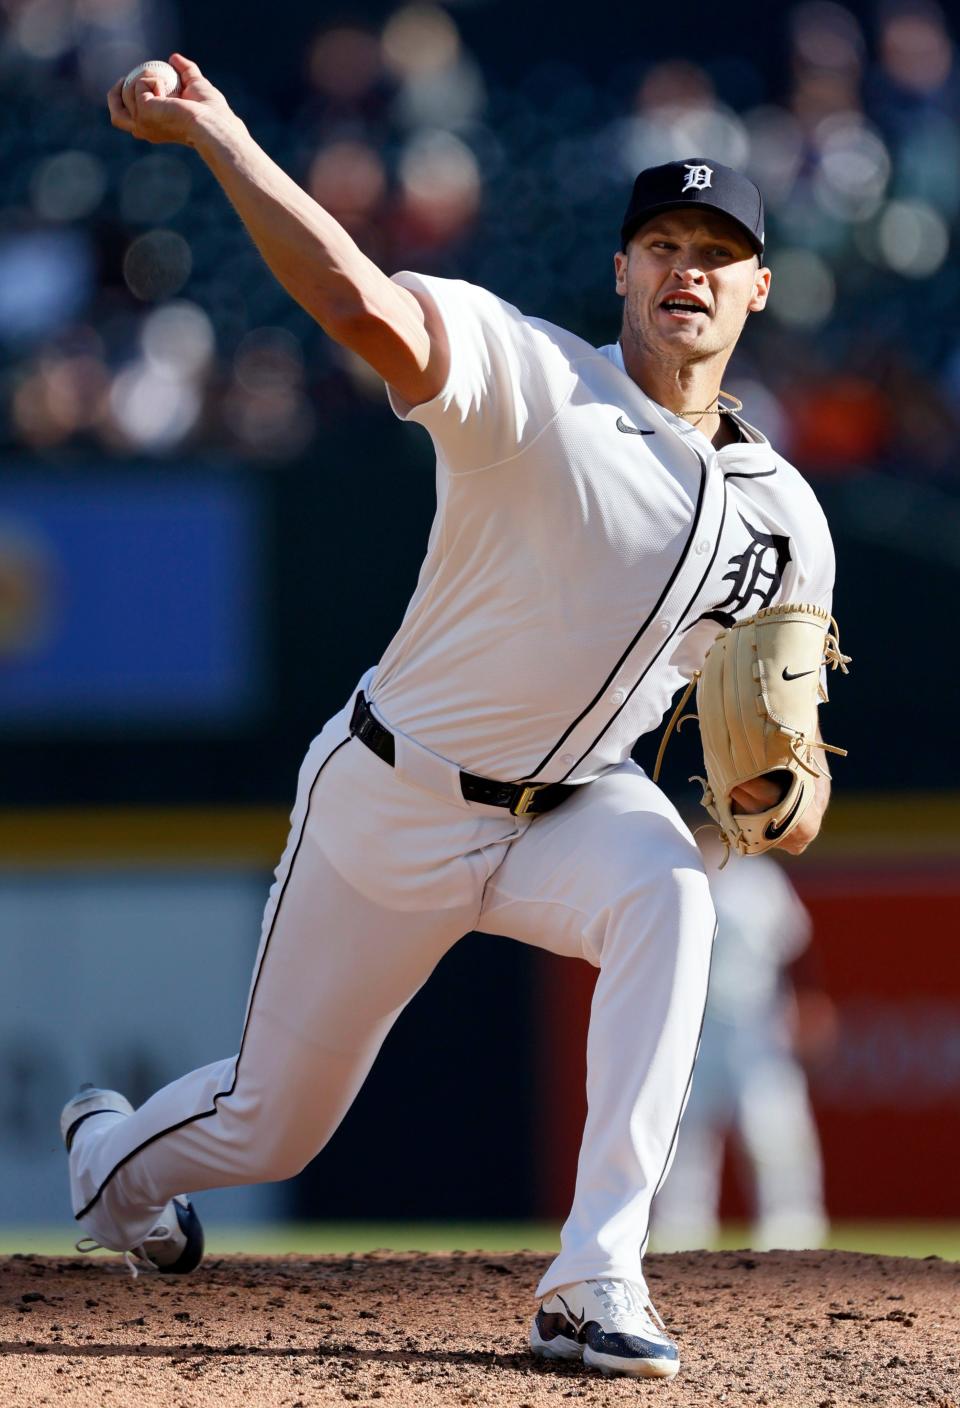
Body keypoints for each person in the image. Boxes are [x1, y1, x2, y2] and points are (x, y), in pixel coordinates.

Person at [59, 53, 837, 1382]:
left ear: (758, 286)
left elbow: (788, 744)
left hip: (575, 812)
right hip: (394, 798)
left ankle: (595, 1277)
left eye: (719, 251)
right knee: (270, 1128)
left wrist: (784, 790)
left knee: (673, 890)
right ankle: (105, 1168)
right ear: (621, 270)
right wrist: (223, 135)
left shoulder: (789, 517)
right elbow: (356, 299)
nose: (688, 270)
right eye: (663, 242)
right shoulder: (532, 380)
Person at [652, 833, 833, 1253]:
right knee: (684, 1135)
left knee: (774, 1129)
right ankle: (679, 1235)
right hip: (695, 1027)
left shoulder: (762, 881)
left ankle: (793, 1231)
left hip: (759, 1024)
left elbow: (796, 947)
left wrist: (809, 1000)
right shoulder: (678, 876)